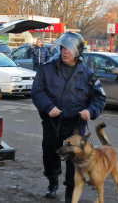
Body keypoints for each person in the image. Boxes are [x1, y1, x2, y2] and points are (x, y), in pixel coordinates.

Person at [31, 32, 106, 203]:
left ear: (78, 52)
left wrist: (91, 111)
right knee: (50, 156)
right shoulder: (47, 69)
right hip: (52, 123)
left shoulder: (87, 74)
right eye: (64, 48)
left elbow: (100, 97)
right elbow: (37, 91)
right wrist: (48, 107)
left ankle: (70, 193)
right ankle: (52, 181)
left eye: (70, 49)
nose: (65, 52)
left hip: (75, 125)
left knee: (75, 161)